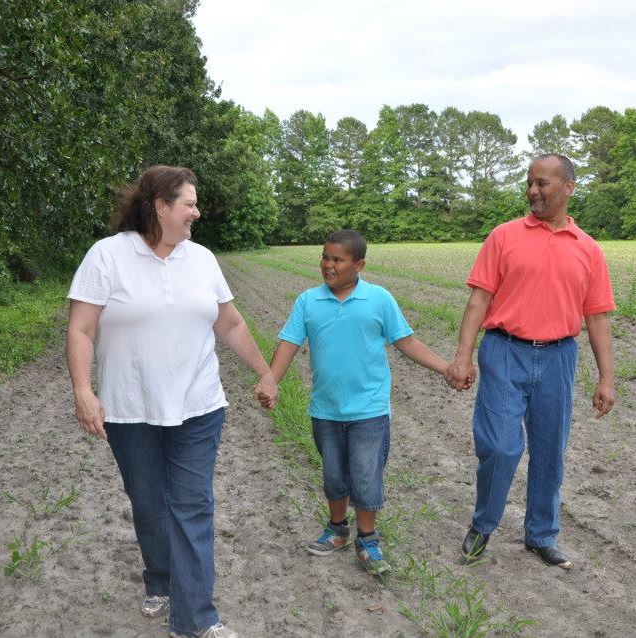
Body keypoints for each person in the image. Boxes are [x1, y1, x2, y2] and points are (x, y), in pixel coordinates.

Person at [66, 165, 277, 638]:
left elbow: (231, 324)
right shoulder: (107, 256)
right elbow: (81, 328)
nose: (196, 212)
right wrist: (84, 390)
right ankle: (159, 579)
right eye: (189, 203)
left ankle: (196, 619)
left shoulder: (201, 259)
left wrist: (264, 370)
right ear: (161, 207)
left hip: (199, 406)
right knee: (148, 504)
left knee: (193, 505)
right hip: (130, 410)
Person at [446, 154, 616, 569]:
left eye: (542, 183)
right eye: (529, 183)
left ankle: (541, 535)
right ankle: (483, 525)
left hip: (559, 357)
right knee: (500, 447)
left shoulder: (589, 249)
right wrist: (462, 356)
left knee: (549, 452)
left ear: (568, 188)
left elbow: (596, 317)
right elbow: (479, 299)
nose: (533, 191)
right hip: (505, 351)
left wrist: (606, 378)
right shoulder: (504, 236)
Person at [259, 229, 454, 575]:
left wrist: (445, 367)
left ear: (359, 264)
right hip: (326, 409)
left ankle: (368, 539)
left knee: (366, 475)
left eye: (338, 259)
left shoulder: (379, 299)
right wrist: (271, 379)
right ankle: (336, 529)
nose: (328, 265)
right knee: (334, 476)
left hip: (369, 409)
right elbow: (288, 343)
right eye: (325, 257)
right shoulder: (308, 301)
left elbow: (406, 342)